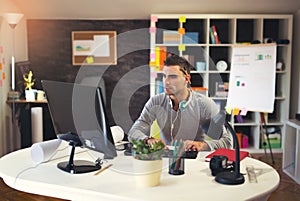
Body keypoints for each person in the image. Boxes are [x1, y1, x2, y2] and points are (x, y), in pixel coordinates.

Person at [128, 54, 232, 151]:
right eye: (164, 76)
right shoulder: (156, 101)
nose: (166, 82)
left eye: (173, 77)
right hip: (165, 158)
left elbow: (227, 142)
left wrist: (201, 145)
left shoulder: (204, 104)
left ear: (187, 79)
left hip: (194, 160)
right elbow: (133, 132)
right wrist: (148, 140)